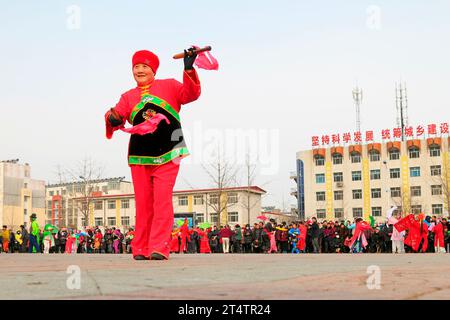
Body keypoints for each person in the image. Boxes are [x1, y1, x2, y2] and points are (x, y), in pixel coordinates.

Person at [105, 48, 201, 261]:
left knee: (162, 200)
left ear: (153, 69)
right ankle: (140, 248)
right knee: (143, 202)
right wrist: (112, 118)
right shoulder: (128, 96)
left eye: (144, 66)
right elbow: (117, 115)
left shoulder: (169, 85)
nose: (140, 70)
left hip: (169, 151)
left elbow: (190, 94)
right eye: (136, 67)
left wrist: (188, 68)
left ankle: (159, 247)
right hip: (140, 155)